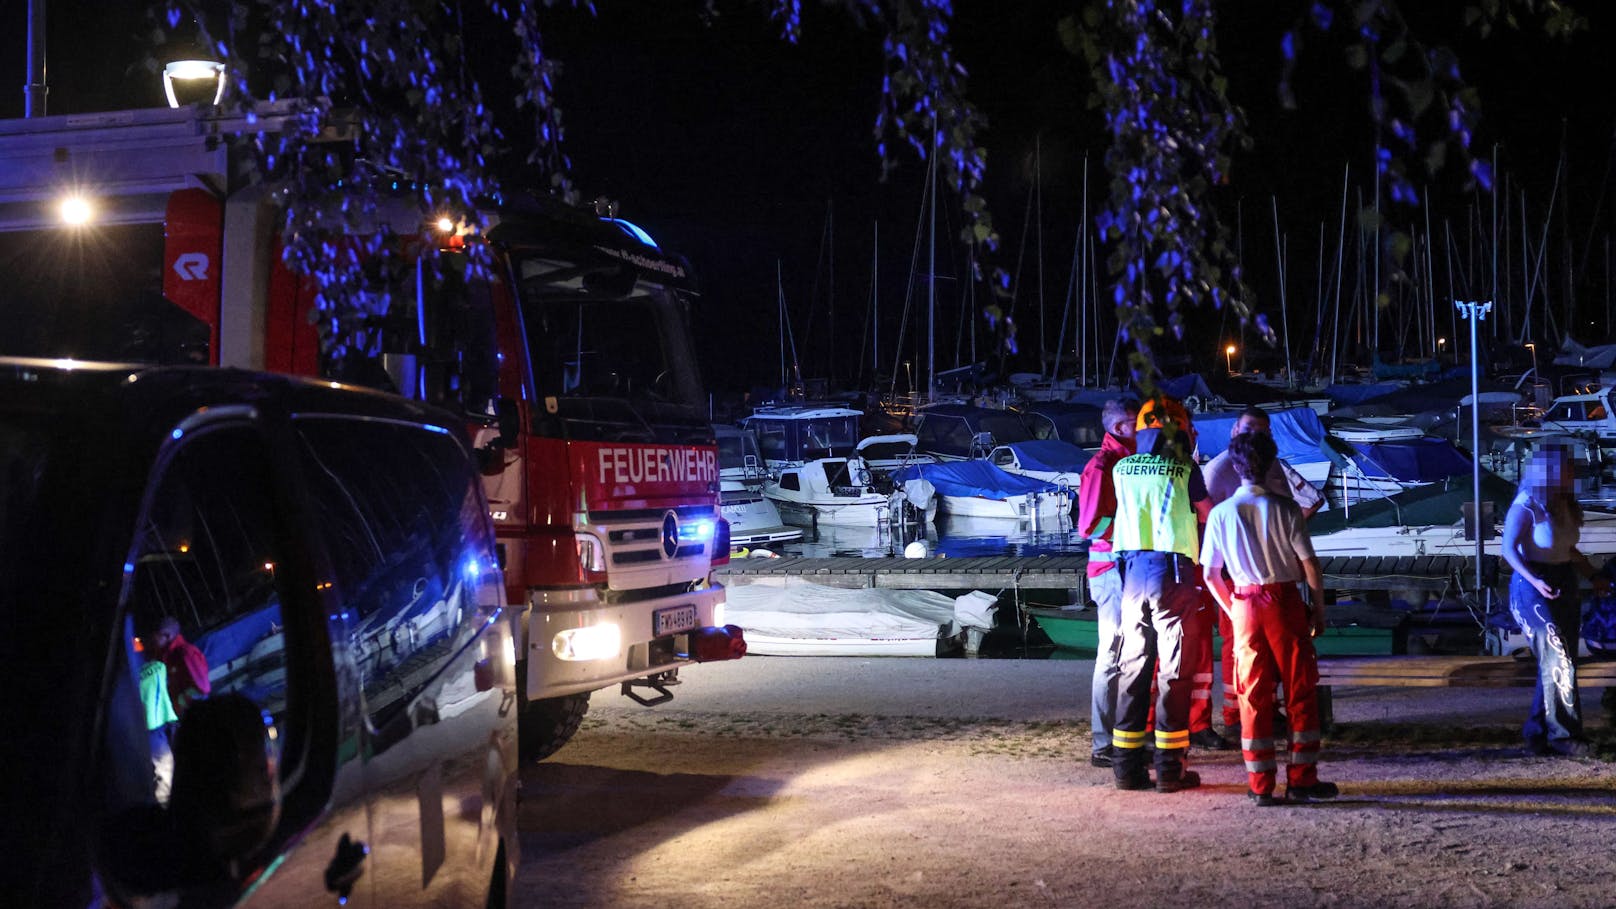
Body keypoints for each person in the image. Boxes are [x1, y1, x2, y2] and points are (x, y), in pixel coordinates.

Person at [1201, 432, 1337, 805]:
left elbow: (1210, 574)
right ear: (1271, 463)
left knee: (1253, 695)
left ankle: (1260, 785)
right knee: (1299, 692)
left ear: (1236, 466)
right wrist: (1319, 610)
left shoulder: (1220, 513)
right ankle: (1302, 780)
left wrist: (1233, 607)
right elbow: (1309, 565)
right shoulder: (1287, 509)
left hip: (1244, 602)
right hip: (1284, 602)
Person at [1109, 396, 1214, 792]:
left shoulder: (1122, 469)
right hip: (1173, 575)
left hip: (1131, 575)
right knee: (1174, 672)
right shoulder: (1186, 469)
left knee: (1133, 669)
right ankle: (1170, 769)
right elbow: (1207, 514)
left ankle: (1126, 769)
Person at [1201, 406, 1324, 733]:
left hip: (1270, 574)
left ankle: (1265, 714)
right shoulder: (1217, 471)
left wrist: (1280, 533)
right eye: (1250, 429)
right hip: (1237, 574)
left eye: (1263, 432)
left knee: (1268, 654)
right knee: (1239, 649)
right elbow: (1210, 529)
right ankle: (1234, 716)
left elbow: (1298, 506)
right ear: (1234, 431)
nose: (1257, 437)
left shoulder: (1272, 468)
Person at [1500, 444, 1610, 757]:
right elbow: (1508, 550)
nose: (1572, 472)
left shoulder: (1564, 503)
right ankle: (1564, 735)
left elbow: (1568, 549)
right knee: (1558, 657)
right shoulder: (1527, 503)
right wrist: (1535, 580)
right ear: (1549, 470)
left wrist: (1592, 576)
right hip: (1532, 586)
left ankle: (1537, 733)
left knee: (1559, 660)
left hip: (1564, 581)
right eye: (1567, 467)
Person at [1075, 398, 1137, 768]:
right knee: (1111, 655)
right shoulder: (1102, 467)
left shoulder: (1124, 464)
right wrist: (1127, 534)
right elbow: (1089, 526)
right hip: (1110, 572)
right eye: (1136, 423)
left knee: (1127, 655)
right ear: (1119, 428)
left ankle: (1121, 739)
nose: (1143, 429)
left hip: (1122, 570)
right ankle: (1103, 744)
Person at [149, 616, 211, 716]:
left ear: (167, 636)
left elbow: (202, 689)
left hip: (197, 713)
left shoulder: (186, 653)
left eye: (156, 635)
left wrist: (178, 705)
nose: (153, 639)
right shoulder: (166, 656)